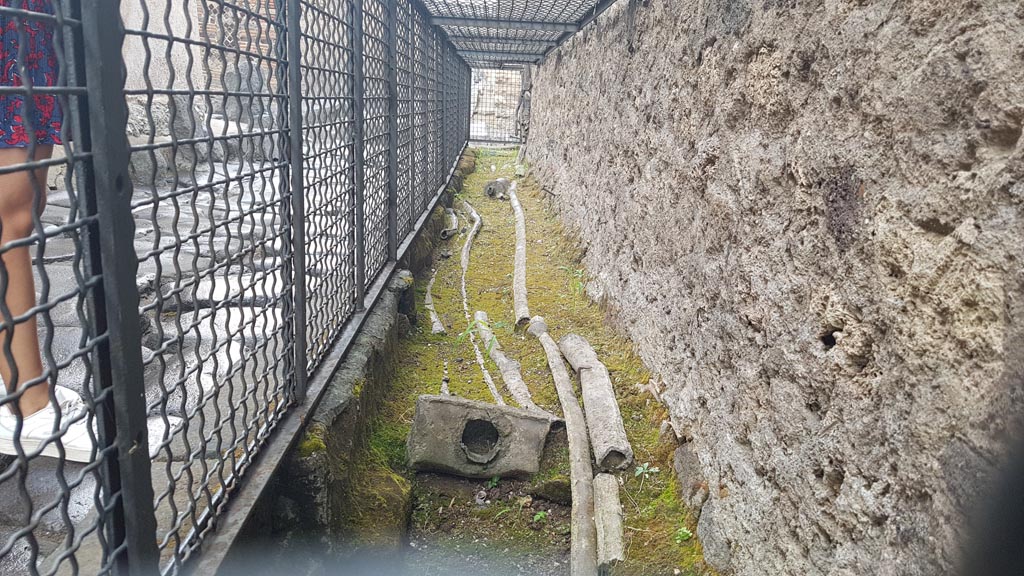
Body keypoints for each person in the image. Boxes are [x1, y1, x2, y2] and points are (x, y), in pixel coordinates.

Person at [0, 0, 95, 463]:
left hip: (35, 24)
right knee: (10, 216)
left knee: (26, 207)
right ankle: (25, 399)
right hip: (12, 25)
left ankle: (12, 380)